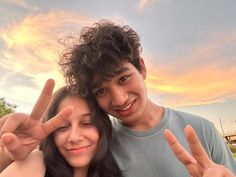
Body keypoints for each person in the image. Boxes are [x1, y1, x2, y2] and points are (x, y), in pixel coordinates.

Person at [0, 19, 236, 177]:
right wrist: (6, 154)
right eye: (101, 90)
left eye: (123, 78)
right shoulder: (98, 145)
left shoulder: (201, 130)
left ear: (141, 68)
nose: (120, 99)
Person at [0, 85, 123, 177]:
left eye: (87, 123)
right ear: (51, 135)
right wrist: (5, 156)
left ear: (103, 127)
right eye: (62, 127)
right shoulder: (37, 163)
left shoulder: (118, 167)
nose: (74, 138)